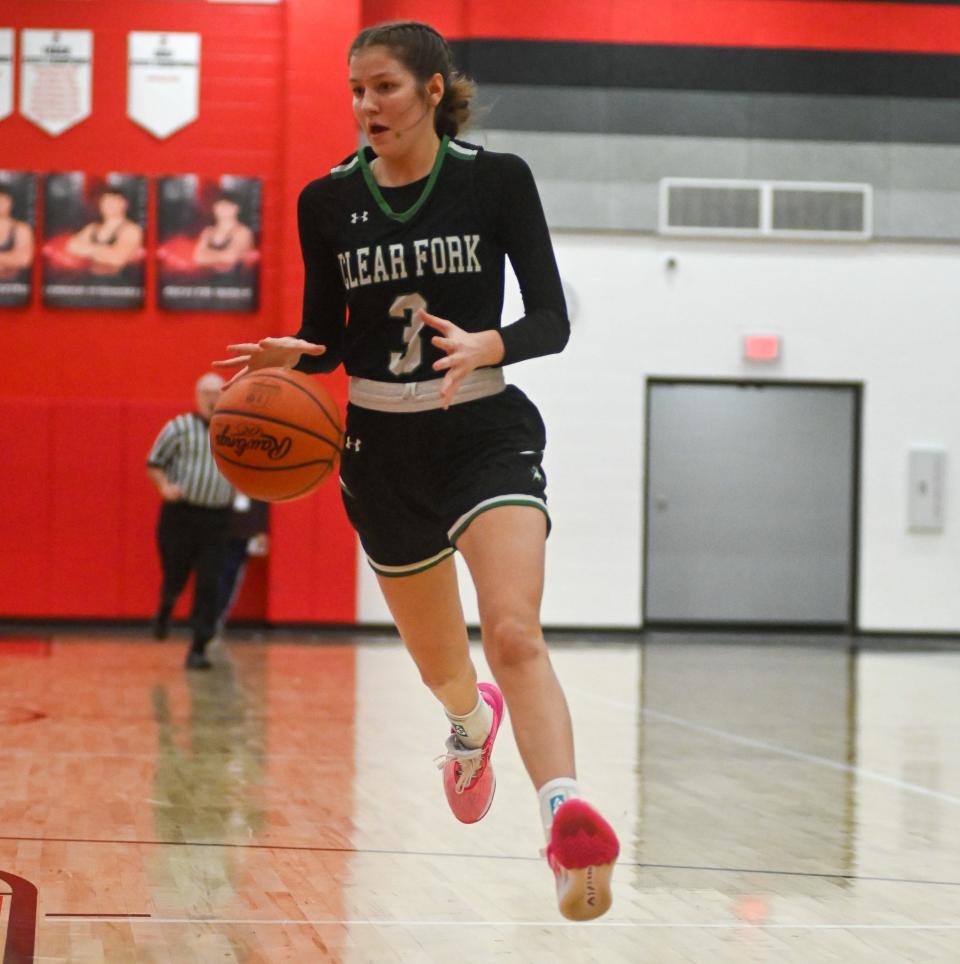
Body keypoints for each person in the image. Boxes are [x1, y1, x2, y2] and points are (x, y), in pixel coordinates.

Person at [214, 20, 619, 920]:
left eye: (385, 88)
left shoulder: (497, 181)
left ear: (434, 90)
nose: (366, 107)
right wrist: (301, 353)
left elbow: (551, 317)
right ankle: (468, 724)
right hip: (376, 447)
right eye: (356, 90)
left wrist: (494, 341)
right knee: (444, 667)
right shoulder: (326, 201)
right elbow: (331, 333)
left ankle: (566, 819)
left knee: (514, 631)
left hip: (482, 428)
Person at [147, 373, 235, 670]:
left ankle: (199, 647)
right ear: (197, 396)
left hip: (218, 517)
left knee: (209, 582)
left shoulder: (236, 429)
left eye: (217, 393)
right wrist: (164, 487)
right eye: (207, 393)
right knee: (176, 575)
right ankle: (166, 606)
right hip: (182, 515)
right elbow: (154, 463)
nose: (212, 398)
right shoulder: (178, 427)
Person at [215, 494, 270, 634]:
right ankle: (210, 616)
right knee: (216, 574)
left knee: (231, 576)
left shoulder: (256, 481)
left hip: (244, 532)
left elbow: (262, 502)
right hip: (221, 529)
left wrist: (261, 530)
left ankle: (219, 617)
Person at [65, 186, 144, 276]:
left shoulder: (132, 230)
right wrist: (103, 251)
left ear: (124, 204)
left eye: (113, 202)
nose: (108, 206)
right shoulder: (92, 228)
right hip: (91, 282)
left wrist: (88, 249)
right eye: (105, 202)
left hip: (120, 285)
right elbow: (71, 247)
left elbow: (117, 259)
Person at [192, 190, 256, 274]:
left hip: (236, 283)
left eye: (228, 205)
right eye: (221, 205)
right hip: (208, 283)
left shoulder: (243, 232)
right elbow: (197, 258)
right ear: (214, 208)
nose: (224, 208)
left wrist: (207, 254)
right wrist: (223, 255)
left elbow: (231, 257)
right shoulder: (208, 231)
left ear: (237, 208)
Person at [0, 185, 34, 280]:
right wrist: (9, 260)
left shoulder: (21, 229)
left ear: (10, 203)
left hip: (14, 289)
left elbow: (24, 259)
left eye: (3, 201)